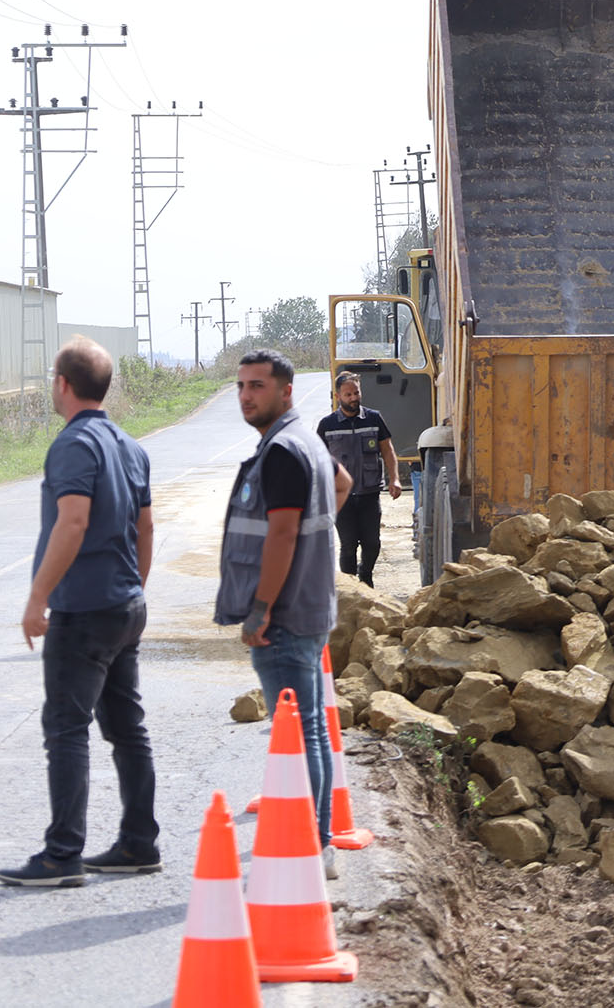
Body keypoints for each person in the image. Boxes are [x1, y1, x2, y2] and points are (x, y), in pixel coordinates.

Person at [0, 337, 158, 888]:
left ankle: (62, 854)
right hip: (124, 605)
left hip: (83, 610)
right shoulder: (129, 446)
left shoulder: (72, 444)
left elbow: (72, 522)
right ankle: (139, 843)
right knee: (127, 729)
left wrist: (37, 597)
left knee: (66, 729)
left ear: (63, 384)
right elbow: (146, 528)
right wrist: (133, 589)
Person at [215, 349, 351, 878]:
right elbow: (341, 484)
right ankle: (319, 843)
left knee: (297, 735)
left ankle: (312, 847)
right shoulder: (306, 442)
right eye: (241, 386)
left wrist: (261, 609)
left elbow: (283, 532)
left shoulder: (281, 451)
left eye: (258, 386)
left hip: (285, 615)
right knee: (309, 730)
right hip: (309, 604)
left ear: (286, 391)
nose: (246, 396)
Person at [316, 370, 401, 587]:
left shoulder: (373, 419)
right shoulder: (327, 425)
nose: (354, 398)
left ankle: (366, 575)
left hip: (369, 493)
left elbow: (388, 450)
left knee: (372, 543)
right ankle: (351, 587)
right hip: (341, 497)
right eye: (348, 394)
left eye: (356, 393)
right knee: (348, 545)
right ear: (338, 396)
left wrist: (395, 479)